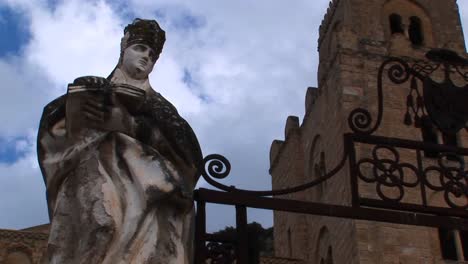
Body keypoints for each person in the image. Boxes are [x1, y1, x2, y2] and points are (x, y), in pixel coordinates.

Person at [37, 18, 202, 264]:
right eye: (139, 48)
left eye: (152, 54)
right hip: (94, 180)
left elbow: (190, 158)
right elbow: (53, 132)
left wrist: (131, 122)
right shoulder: (94, 89)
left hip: (149, 203)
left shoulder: (162, 109)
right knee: (100, 225)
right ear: (124, 49)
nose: (146, 57)